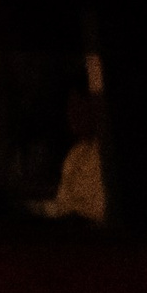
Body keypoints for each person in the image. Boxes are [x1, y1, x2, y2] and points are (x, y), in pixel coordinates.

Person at [32, 87, 108, 225]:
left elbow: (99, 212)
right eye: (70, 109)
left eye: (78, 107)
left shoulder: (106, 154)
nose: (72, 115)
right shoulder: (76, 154)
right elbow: (63, 205)